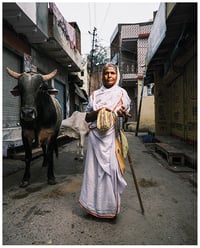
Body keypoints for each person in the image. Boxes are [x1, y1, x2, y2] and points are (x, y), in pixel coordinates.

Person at [79, 63, 131, 219]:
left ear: (117, 75)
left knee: (111, 172)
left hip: (111, 138)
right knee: (93, 174)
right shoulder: (95, 95)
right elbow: (87, 117)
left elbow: (125, 113)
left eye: (112, 73)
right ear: (102, 76)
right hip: (95, 139)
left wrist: (122, 113)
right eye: (106, 73)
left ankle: (109, 209)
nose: (109, 76)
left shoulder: (122, 93)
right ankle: (91, 207)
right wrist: (99, 112)